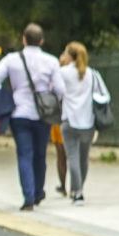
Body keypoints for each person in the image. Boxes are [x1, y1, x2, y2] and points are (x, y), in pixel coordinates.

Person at [0, 23, 66, 210]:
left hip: (19, 113)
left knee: (24, 154)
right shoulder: (51, 61)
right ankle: (38, 192)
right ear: (42, 41)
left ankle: (28, 197)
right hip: (43, 115)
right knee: (40, 154)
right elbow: (61, 89)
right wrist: (50, 96)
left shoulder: (12, 60)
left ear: (23, 39)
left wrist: (4, 97)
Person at [58, 41, 110, 205]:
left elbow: (55, 91)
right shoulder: (92, 74)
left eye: (66, 53)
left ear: (70, 56)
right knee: (83, 158)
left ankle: (77, 192)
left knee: (72, 157)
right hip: (88, 122)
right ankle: (80, 189)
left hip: (69, 120)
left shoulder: (63, 73)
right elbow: (105, 95)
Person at [51, 48, 71, 196]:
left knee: (61, 153)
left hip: (58, 117)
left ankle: (63, 186)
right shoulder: (81, 74)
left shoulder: (58, 75)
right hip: (73, 118)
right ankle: (74, 186)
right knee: (72, 154)